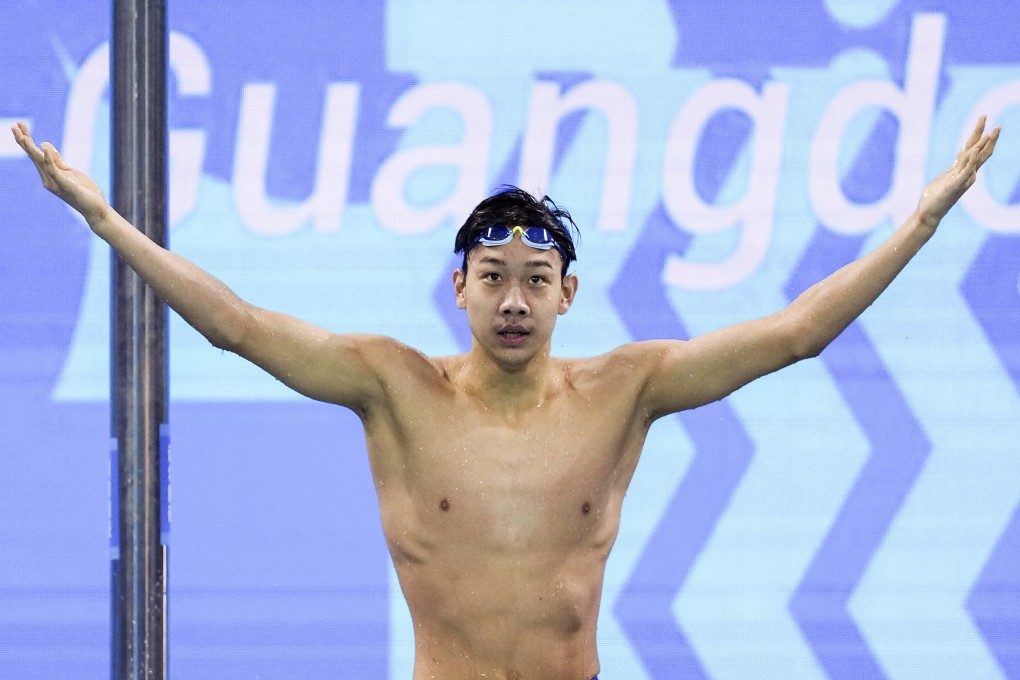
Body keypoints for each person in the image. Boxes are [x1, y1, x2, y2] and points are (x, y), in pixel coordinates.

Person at [10, 117, 999, 680]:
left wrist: (921, 219)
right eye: (493, 275)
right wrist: (103, 217)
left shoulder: (628, 389)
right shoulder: (390, 386)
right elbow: (231, 320)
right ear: (460, 287)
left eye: (536, 277)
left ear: (569, 292)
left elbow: (798, 332)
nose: (515, 297)